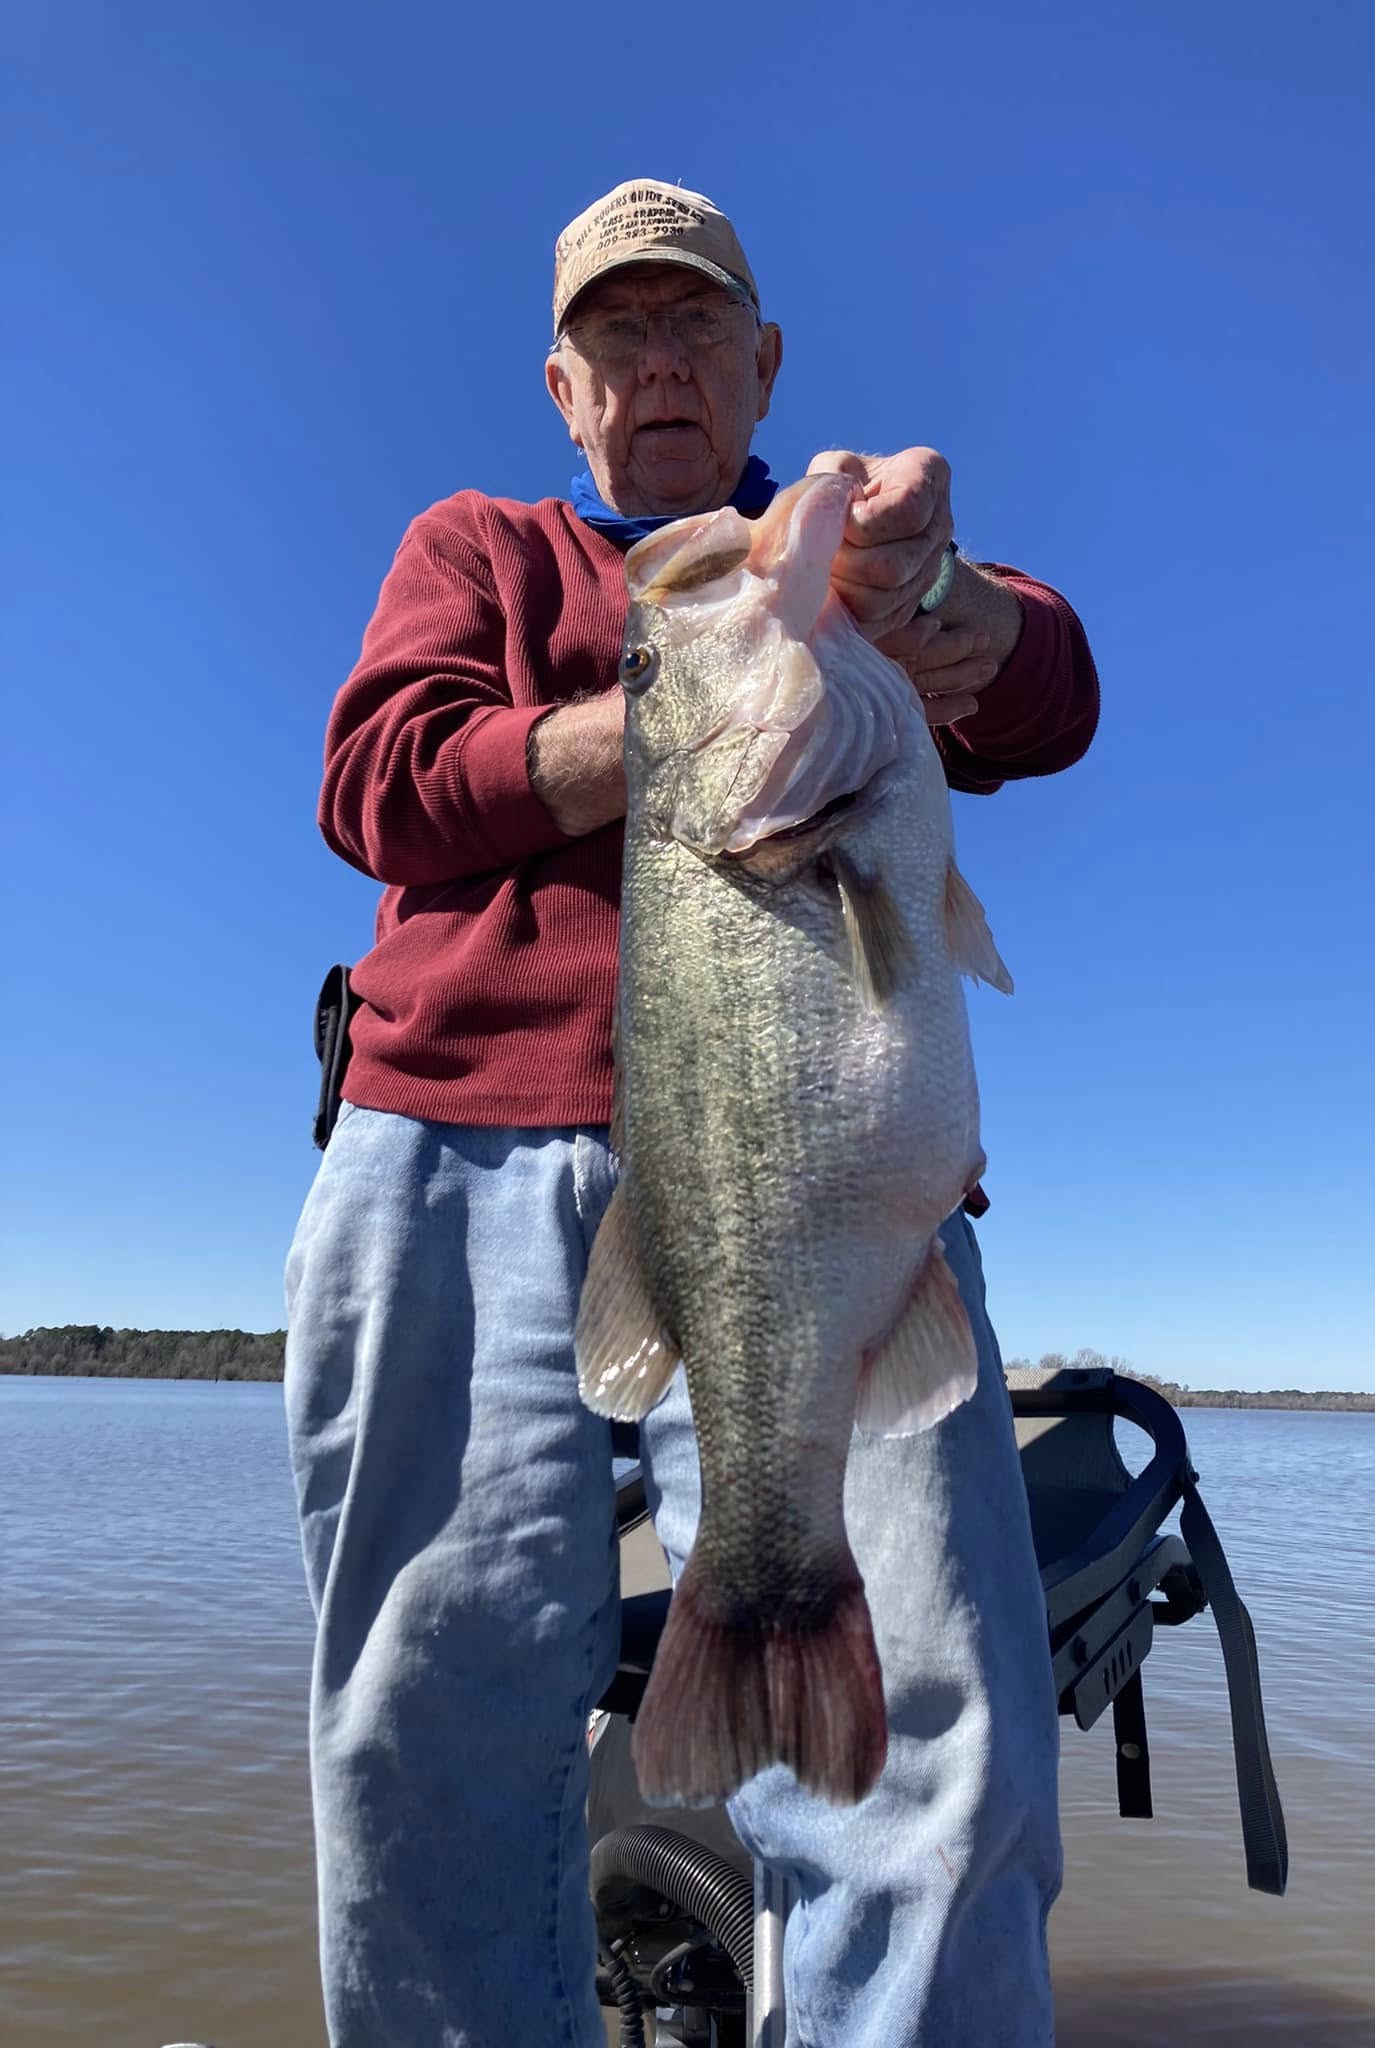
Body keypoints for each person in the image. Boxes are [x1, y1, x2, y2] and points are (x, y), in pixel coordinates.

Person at [284, 178, 1100, 2047]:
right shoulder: (479, 546)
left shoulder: (854, 594)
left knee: (938, 1742)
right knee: (427, 1725)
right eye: (617, 338)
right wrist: (648, 714)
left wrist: (956, 601)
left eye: (696, 326)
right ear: (564, 390)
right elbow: (375, 782)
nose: (659, 364)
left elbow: (1050, 691)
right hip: (450, 1155)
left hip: (824, 1189)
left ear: (763, 365)